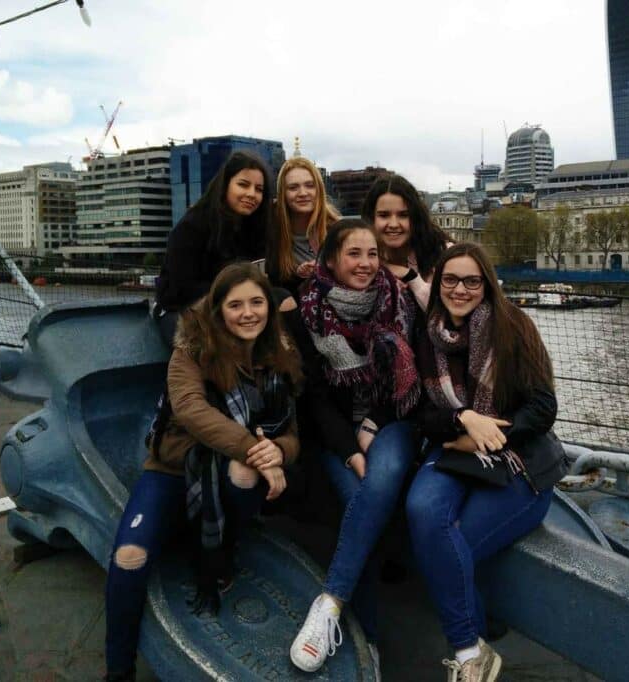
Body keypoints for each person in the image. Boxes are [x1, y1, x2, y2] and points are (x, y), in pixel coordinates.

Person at [105, 264, 302, 682]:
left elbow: (290, 432)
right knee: (128, 558)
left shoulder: (277, 358)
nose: (247, 313)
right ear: (218, 310)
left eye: (257, 302)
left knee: (244, 473)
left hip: (230, 472)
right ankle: (118, 670)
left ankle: (218, 550)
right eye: (235, 305)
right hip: (175, 468)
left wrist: (279, 451)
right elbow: (191, 410)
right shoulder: (191, 351)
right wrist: (258, 452)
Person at [406, 243, 567, 682]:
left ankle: (469, 654)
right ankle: (474, 645)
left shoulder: (513, 326)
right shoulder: (426, 334)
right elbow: (421, 412)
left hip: (518, 460)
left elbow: (543, 407)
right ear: (438, 284)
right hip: (455, 449)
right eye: (450, 280)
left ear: (487, 285)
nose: (460, 290)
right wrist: (463, 419)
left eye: (471, 281)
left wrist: (489, 435)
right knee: (421, 510)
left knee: (450, 549)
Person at [288, 219, 420, 675]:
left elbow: (408, 380)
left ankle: (330, 603)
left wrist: (372, 424)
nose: (366, 264)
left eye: (372, 254)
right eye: (354, 254)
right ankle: (371, 640)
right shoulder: (306, 310)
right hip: (336, 433)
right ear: (330, 260)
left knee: (377, 484)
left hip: (392, 420)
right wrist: (350, 449)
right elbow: (315, 396)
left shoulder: (399, 301)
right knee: (358, 500)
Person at [153, 151, 272, 344]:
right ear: (225, 185)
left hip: (236, 308)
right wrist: (233, 290)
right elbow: (179, 289)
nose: (252, 194)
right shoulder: (192, 225)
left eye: (259, 189)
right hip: (183, 309)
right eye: (243, 185)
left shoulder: (255, 228)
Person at [362, 173, 451, 310]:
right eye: (384, 215)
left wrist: (411, 277)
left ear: (416, 217)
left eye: (403, 215)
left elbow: (449, 311)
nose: (393, 224)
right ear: (371, 218)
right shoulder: (360, 262)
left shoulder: (445, 256)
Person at [266, 157, 339, 297]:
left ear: (319, 189)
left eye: (310, 185)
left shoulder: (337, 231)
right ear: (282, 194)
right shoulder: (270, 227)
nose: (303, 193)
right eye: (293, 188)